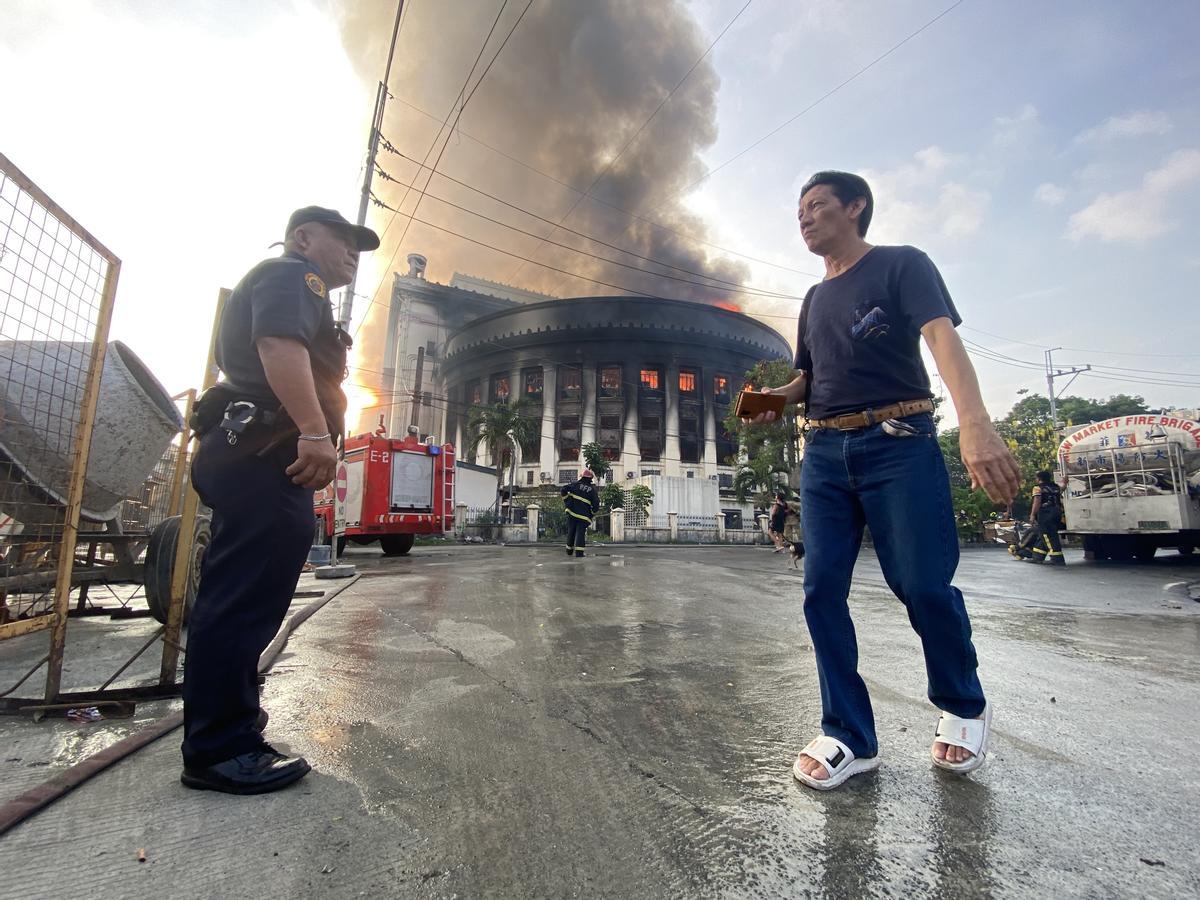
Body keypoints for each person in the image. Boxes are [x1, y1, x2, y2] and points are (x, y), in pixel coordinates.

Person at [753, 171, 1021, 790]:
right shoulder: (814, 300)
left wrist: (974, 425)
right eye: (799, 210)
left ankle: (962, 704)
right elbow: (810, 378)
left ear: (856, 207)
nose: (805, 217)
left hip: (898, 441)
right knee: (821, 590)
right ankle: (850, 734)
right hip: (824, 451)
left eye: (817, 205)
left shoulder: (903, 265)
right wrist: (778, 396)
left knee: (923, 585)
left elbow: (943, 342)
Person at [180, 206, 379, 794]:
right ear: (304, 238)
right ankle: (219, 750)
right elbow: (278, 346)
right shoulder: (293, 276)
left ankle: (234, 731)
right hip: (261, 452)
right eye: (342, 240)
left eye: (358, 247)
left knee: (249, 598)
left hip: (263, 455)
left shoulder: (300, 284)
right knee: (242, 601)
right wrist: (317, 434)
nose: (352, 253)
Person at [1026, 470, 1066, 565]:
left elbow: (1037, 502)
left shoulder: (1038, 488)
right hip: (1057, 513)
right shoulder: (1055, 487)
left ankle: (1057, 559)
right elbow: (1062, 489)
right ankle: (1037, 557)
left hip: (1045, 514)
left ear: (1039, 479)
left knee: (1048, 536)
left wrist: (1032, 515)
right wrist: (1065, 483)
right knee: (1043, 535)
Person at [561, 469, 600, 557]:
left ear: (581, 477)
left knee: (571, 531)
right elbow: (596, 504)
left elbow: (563, 489)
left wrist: (568, 501)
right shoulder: (592, 490)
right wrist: (592, 513)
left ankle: (569, 551)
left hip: (571, 513)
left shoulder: (575, 485)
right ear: (590, 479)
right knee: (580, 533)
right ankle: (579, 553)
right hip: (583, 516)